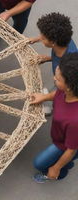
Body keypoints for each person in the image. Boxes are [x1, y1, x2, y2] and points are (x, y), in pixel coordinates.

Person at [30, 53, 78, 183]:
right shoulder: (66, 91)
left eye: (57, 79)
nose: (53, 79)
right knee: (60, 159)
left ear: (69, 86)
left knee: (39, 164)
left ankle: (58, 173)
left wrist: (56, 168)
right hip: (63, 137)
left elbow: (71, 149)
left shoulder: (75, 121)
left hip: (65, 145)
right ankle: (65, 164)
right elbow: (57, 93)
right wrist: (44, 97)